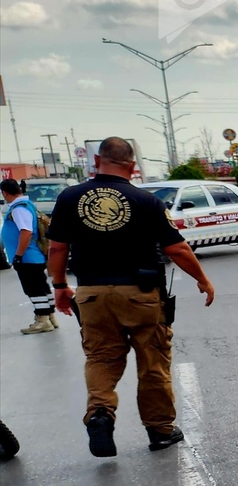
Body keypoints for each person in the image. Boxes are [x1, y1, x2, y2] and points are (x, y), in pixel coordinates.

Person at [46, 136, 217, 458]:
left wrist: (59, 287)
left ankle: (99, 413)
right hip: (140, 295)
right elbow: (176, 248)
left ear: (96, 163)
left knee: (101, 358)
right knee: (152, 362)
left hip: (91, 292)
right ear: (133, 167)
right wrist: (203, 280)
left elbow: (57, 248)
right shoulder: (146, 200)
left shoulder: (69, 197)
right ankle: (160, 430)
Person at [2, 178, 55, 333]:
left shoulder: (19, 208)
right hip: (34, 256)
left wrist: (18, 255)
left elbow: (26, 232)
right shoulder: (27, 204)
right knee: (41, 286)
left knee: (33, 289)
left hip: (28, 257)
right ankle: (50, 316)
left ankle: (43, 320)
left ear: (4, 193)